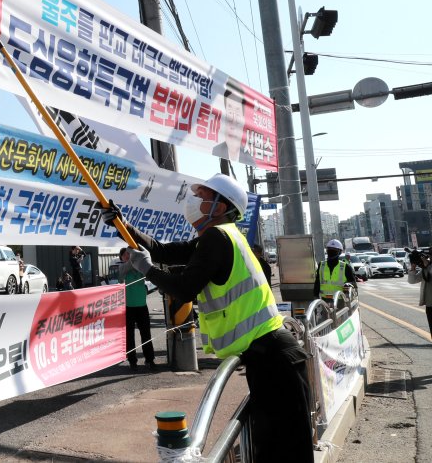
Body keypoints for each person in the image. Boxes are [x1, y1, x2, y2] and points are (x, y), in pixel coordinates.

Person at [101, 173, 313, 462]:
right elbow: (163, 250)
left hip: (273, 359)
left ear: (221, 207)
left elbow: (184, 289)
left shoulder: (216, 237)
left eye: (203, 197)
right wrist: (123, 225)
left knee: (284, 452)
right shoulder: (217, 237)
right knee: (279, 448)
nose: (196, 201)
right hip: (271, 355)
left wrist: (148, 270)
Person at [118, 247, 157, 372]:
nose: (128, 256)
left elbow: (149, 270)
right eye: (125, 255)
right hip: (128, 307)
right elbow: (122, 274)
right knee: (129, 336)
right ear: (121, 258)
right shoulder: (122, 268)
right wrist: (135, 256)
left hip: (142, 306)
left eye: (128, 254)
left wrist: (141, 257)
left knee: (146, 334)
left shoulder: (139, 267)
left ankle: (149, 359)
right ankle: (132, 360)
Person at [211, 81, 256, 166]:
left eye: (237, 114)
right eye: (230, 113)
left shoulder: (250, 159)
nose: (233, 121)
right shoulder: (215, 150)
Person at [408, 248, 432, 335]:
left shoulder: (428, 267)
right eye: (429, 256)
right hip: (429, 305)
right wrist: (413, 267)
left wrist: (427, 265)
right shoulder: (426, 267)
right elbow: (412, 280)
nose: (429, 258)